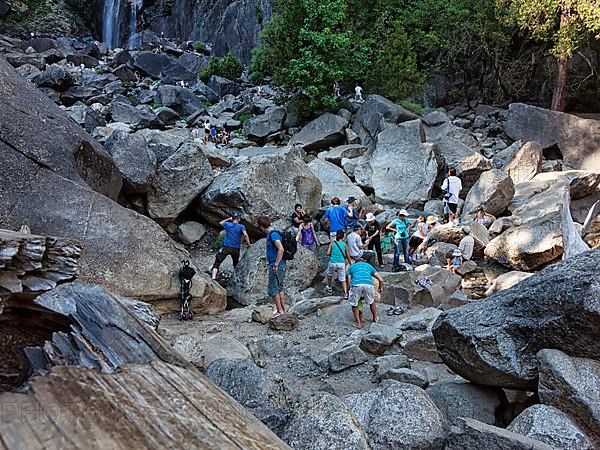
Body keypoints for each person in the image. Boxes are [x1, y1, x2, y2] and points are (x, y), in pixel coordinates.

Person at [258, 216, 287, 317]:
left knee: (273, 289)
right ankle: (282, 309)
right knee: (279, 288)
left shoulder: (273, 235)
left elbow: (281, 249)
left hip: (277, 265)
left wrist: (275, 264)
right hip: (281, 265)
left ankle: (280, 311)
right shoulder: (275, 233)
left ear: (262, 226)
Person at [211, 213, 250, 280]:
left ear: (233, 218)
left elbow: (221, 222)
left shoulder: (228, 224)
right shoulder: (241, 226)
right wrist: (249, 244)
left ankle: (213, 278)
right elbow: (245, 235)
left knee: (217, 262)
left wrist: (229, 218)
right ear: (239, 219)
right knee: (236, 264)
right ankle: (236, 278)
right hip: (236, 248)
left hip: (226, 247)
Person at [346, 260, 384, 328]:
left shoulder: (352, 267)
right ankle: (375, 318)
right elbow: (381, 280)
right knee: (372, 301)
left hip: (356, 284)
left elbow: (349, 280)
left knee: (354, 304)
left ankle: (358, 323)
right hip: (368, 285)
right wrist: (380, 288)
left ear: (356, 262)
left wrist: (349, 290)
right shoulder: (369, 266)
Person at [325, 230, 351, 298]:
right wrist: (351, 263)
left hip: (333, 262)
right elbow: (348, 255)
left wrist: (332, 254)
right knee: (343, 279)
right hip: (341, 263)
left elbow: (327, 253)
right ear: (343, 237)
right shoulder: (345, 244)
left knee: (329, 274)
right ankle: (345, 293)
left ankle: (329, 288)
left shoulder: (332, 243)